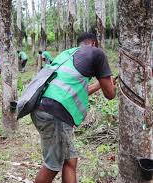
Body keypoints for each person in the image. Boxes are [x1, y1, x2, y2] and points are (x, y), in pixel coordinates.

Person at [30, 32, 117, 183]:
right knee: (53, 165)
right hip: (55, 113)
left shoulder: (67, 55)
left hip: (42, 107)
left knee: (70, 160)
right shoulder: (97, 53)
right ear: (95, 44)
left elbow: (71, 92)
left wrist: (97, 85)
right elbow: (110, 94)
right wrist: (110, 83)